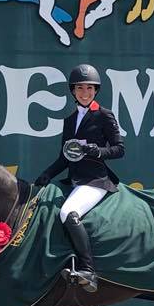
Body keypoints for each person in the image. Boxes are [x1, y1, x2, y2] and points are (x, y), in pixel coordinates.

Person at [34, 64, 125, 291]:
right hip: (74, 180)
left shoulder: (104, 115)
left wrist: (99, 152)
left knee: (68, 212)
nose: (85, 92)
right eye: (80, 88)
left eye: (90, 88)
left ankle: (89, 270)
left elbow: (119, 149)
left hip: (95, 180)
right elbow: (66, 157)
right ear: (73, 91)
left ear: (96, 91)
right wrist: (46, 174)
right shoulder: (69, 120)